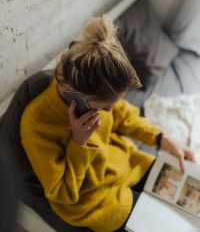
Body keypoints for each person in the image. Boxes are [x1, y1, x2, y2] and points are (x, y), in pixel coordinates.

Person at [20, 15, 195, 232]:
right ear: (73, 95)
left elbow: (125, 116)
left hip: (126, 164)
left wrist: (161, 139)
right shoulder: (37, 126)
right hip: (99, 201)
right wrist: (79, 144)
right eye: (103, 108)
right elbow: (63, 194)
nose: (109, 112)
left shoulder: (92, 88)